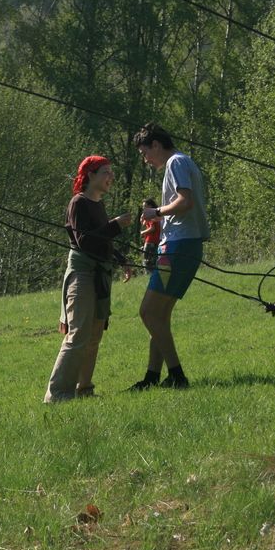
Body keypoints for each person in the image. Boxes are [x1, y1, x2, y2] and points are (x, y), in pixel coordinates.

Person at [128, 124, 209, 391]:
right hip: (184, 247)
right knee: (159, 316)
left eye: (145, 152)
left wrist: (157, 212)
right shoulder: (185, 162)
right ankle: (152, 377)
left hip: (176, 248)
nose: (145, 160)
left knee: (148, 312)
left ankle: (177, 375)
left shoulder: (175, 162)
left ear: (156, 145)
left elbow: (185, 202)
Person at [44, 155, 132, 403]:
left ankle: (84, 390)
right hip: (82, 276)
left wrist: (121, 258)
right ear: (91, 175)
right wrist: (115, 225)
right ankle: (58, 394)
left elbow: (101, 240)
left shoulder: (98, 203)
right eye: (106, 172)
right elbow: (84, 242)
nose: (111, 177)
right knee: (78, 334)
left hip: (100, 275)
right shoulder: (78, 203)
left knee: (94, 335)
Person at [139, 198, 161, 272]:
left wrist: (143, 232)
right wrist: (142, 220)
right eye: (143, 206)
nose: (143, 208)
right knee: (152, 260)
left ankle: (148, 275)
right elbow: (146, 224)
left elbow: (152, 228)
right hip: (155, 240)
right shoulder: (154, 214)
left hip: (151, 240)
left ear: (150, 206)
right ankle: (150, 274)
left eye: (145, 206)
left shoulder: (152, 215)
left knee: (147, 260)